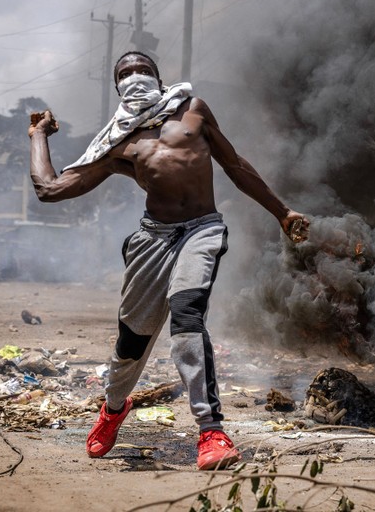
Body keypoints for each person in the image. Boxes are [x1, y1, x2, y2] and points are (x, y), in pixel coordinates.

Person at [28, 51, 309, 470]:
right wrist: (38, 135)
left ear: (159, 78)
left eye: (143, 70)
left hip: (202, 229)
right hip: (151, 239)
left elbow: (234, 164)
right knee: (132, 342)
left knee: (187, 313)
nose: (135, 77)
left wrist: (282, 212)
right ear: (118, 87)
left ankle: (211, 431)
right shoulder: (117, 142)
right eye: (125, 73)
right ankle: (113, 409)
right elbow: (49, 189)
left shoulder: (193, 110)